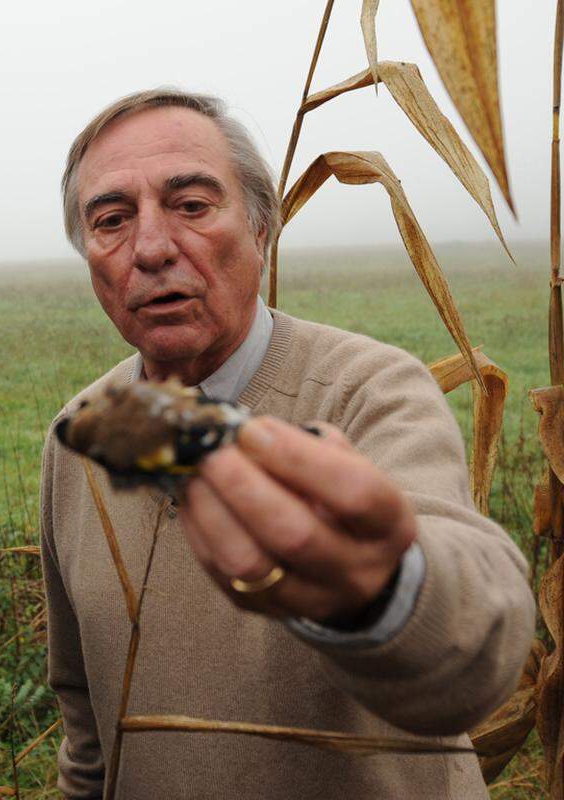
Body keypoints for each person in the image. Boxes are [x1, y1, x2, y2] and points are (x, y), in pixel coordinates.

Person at [39, 88, 536, 799]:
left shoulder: (370, 392)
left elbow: (474, 651)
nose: (150, 248)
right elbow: (82, 713)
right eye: (112, 220)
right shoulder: (79, 436)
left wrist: (380, 590)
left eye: (191, 205)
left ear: (262, 226)